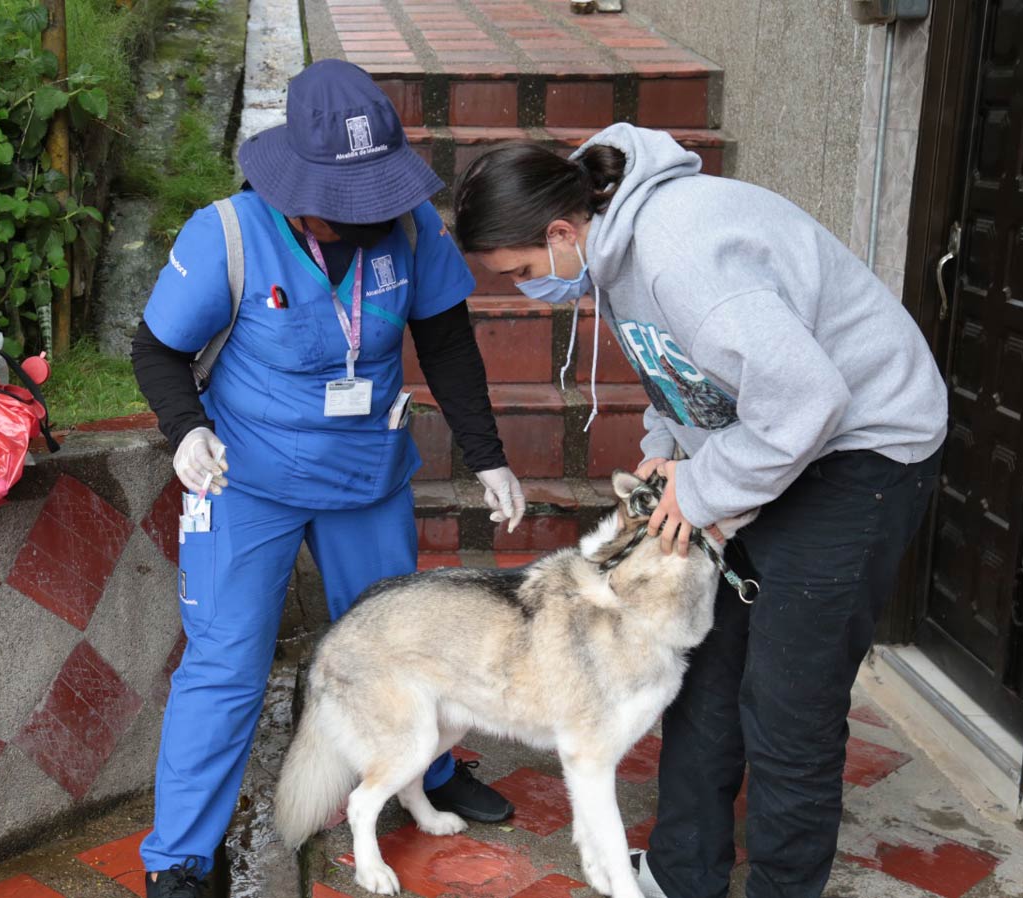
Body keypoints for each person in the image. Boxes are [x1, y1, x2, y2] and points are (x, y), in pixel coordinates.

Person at [452, 124, 947, 898]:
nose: (525, 289)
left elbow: (809, 400)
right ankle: (684, 874)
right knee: (705, 674)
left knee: (788, 708)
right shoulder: (613, 251)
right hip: (770, 442)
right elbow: (681, 374)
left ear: (560, 232)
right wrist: (670, 452)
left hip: (861, 453)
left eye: (522, 270)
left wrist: (705, 488)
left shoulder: (683, 252)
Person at [131, 59, 523, 898]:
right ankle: (181, 857)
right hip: (244, 480)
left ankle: (429, 772)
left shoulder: (412, 231)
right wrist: (186, 428)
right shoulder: (228, 234)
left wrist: (487, 454)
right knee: (226, 664)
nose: (366, 215)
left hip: (365, 479)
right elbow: (156, 349)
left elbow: (448, 344)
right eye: (347, 201)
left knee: (405, 645)